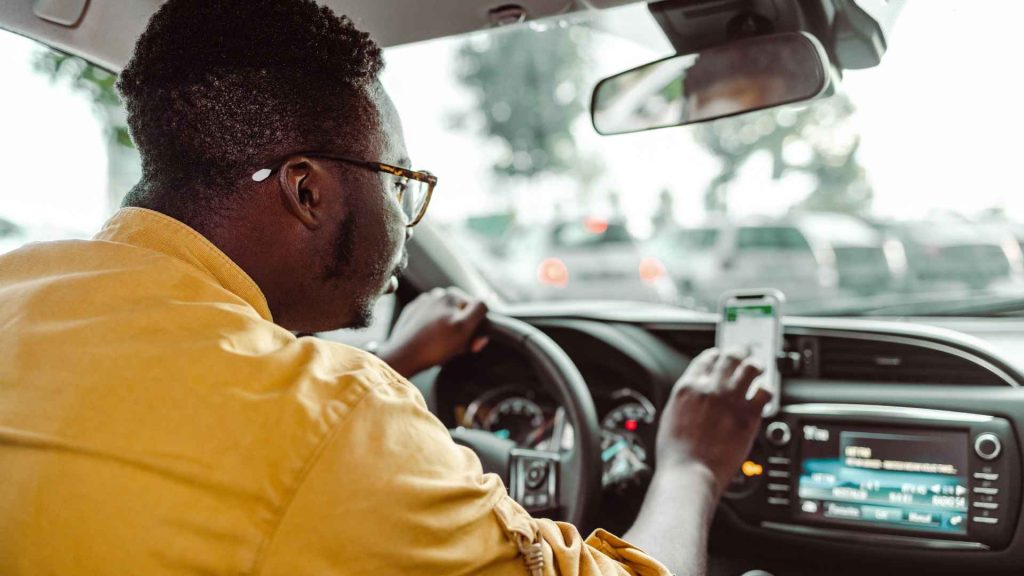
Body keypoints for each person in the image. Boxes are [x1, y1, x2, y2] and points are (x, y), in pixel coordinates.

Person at [0, 0, 769, 574]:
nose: (406, 217)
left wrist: (396, 360)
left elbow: (192, 423)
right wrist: (694, 464)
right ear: (307, 192)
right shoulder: (342, 421)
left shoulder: (21, 288)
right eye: (400, 182)